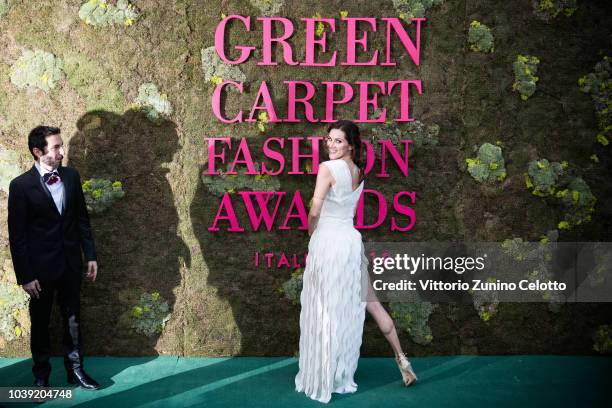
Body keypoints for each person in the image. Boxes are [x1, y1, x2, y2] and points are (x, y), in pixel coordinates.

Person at [295, 120, 417, 403]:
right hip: (350, 241)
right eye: (329, 140)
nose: (331, 145)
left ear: (351, 144)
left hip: (329, 242)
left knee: (325, 307)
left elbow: (315, 208)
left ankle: (325, 375)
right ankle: (402, 360)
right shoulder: (358, 172)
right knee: (370, 301)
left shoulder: (327, 168)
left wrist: (312, 232)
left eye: (338, 141)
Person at [7, 126, 100, 390]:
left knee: (73, 319)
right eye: (56, 147)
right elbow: (18, 237)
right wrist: (25, 276)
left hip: (71, 264)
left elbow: (82, 219)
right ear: (38, 152)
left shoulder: (71, 176)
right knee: (40, 323)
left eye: (61, 145)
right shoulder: (21, 186)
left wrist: (90, 255)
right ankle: (41, 377)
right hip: (39, 271)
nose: (62, 151)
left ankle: (76, 371)